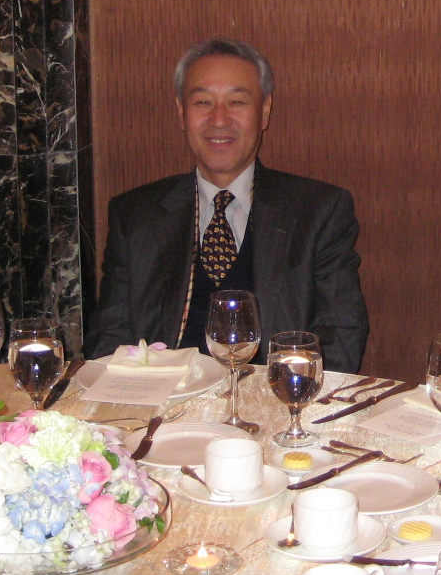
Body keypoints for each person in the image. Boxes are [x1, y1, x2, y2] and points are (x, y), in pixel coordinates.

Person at [86, 37, 368, 373]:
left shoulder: (319, 211)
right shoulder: (135, 215)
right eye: (202, 102)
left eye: (237, 102)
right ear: (181, 112)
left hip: (274, 398)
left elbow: (339, 340)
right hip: (166, 400)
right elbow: (109, 344)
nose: (219, 119)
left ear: (264, 111)